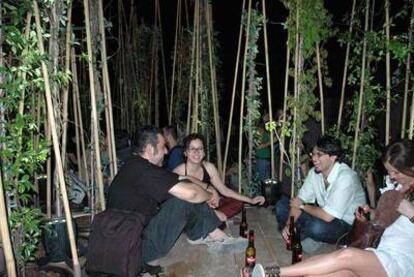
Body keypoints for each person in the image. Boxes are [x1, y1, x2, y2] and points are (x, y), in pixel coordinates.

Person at [253, 139, 414, 277]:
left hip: (402, 260)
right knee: (318, 273)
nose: (392, 176)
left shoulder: (346, 177)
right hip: (380, 251)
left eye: (396, 172)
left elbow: (326, 216)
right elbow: (384, 220)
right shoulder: (396, 188)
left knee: (344, 254)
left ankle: (274, 273)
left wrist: (412, 214)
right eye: (389, 171)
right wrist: (368, 214)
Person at [86, 126, 217, 276]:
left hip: (125, 240)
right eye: (163, 147)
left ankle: (211, 231)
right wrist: (209, 195)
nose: (167, 151)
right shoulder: (144, 171)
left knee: (181, 192)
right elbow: (192, 194)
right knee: (184, 200)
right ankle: (210, 234)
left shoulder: (135, 166)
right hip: (135, 249)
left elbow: (182, 178)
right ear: (150, 148)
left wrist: (208, 187)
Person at [276, 135, 366, 253]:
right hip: (324, 215)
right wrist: (289, 224)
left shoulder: (346, 178)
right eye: (313, 154)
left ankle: (310, 235)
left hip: (346, 225)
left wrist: (302, 206)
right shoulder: (315, 173)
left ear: (333, 157)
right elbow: (300, 199)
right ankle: (303, 234)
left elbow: (327, 216)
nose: (314, 158)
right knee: (281, 206)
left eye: (319, 155)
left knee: (316, 227)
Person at [174, 133, 265, 222]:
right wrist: (208, 196)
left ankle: (211, 217)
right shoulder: (179, 171)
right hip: (190, 207)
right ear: (185, 153)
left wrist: (251, 200)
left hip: (209, 206)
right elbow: (178, 200)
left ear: (204, 152)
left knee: (237, 202)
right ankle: (209, 218)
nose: (196, 152)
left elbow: (224, 190)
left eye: (200, 148)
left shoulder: (209, 167)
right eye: (192, 149)